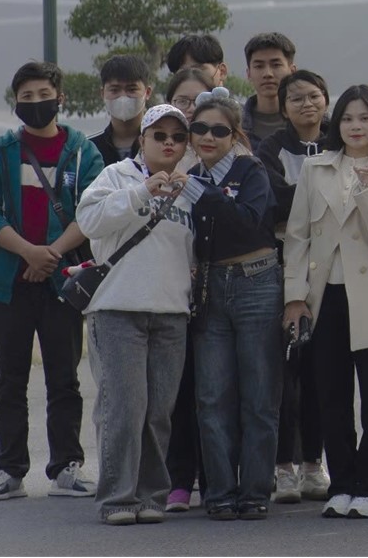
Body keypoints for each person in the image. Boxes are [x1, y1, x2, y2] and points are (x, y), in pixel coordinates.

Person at [0, 60, 103, 501]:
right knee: (9, 380)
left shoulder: (83, 151)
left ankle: (66, 466)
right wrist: (28, 251)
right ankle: (9, 470)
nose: (34, 103)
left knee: (64, 379)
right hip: (10, 281)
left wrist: (52, 254)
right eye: (25, 97)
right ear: (16, 102)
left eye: (42, 94)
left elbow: (92, 209)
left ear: (59, 98)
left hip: (62, 282)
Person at [282, 84, 368, 519]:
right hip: (324, 299)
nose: (356, 126)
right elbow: (297, 237)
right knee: (331, 397)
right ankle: (343, 483)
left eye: (366, 118)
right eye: (349, 118)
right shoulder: (315, 169)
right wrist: (294, 297)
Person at [74, 102, 200, 525]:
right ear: (142, 140)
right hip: (117, 309)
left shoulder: (192, 186)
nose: (168, 143)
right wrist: (143, 192)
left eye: (177, 137)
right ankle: (116, 498)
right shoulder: (117, 176)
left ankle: (151, 495)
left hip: (171, 312)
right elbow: (89, 220)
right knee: (124, 408)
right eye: (159, 135)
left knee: (158, 411)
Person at [185, 90, 281, 520]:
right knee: (211, 396)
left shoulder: (251, 168)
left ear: (234, 134)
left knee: (259, 395)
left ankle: (256, 489)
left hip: (256, 280)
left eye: (219, 130)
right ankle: (220, 492)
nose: (208, 137)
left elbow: (247, 221)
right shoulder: (185, 174)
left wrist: (200, 193)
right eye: (199, 129)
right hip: (209, 285)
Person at [256, 69, 331, 505]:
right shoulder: (271, 148)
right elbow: (273, 200)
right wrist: (319, 198)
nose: (307, 103)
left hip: (331, 269)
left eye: (314, 95)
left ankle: (313, 464)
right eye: (297, 98)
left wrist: (300, 200)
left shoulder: (342, 140)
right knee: (285, 373)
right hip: (284, 266)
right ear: (283, 108)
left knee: (322, 373)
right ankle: (283, 467)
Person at [155, 67, 211, 512]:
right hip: (164, 295)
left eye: (199, 102)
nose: (191, 110)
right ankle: (176, 478)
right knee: (173, 393)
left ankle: (212, 478)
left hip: (209, 294)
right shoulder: (154, 162)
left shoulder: (210, 161)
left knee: (208, 392)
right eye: (183, 101)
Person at [92, 55, 153, 168]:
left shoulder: (160, 143)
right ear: (102, 93)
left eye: (131, 89)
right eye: (115, 90)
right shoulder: (89, 148)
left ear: (147, 92)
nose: (123, 97)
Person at [241, 33, 297, 146]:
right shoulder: (234, 125)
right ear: (249, 74)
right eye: (259, 66)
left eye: (276, 65)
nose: (268, 74)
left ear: (292, 71)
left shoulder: (314, 122)